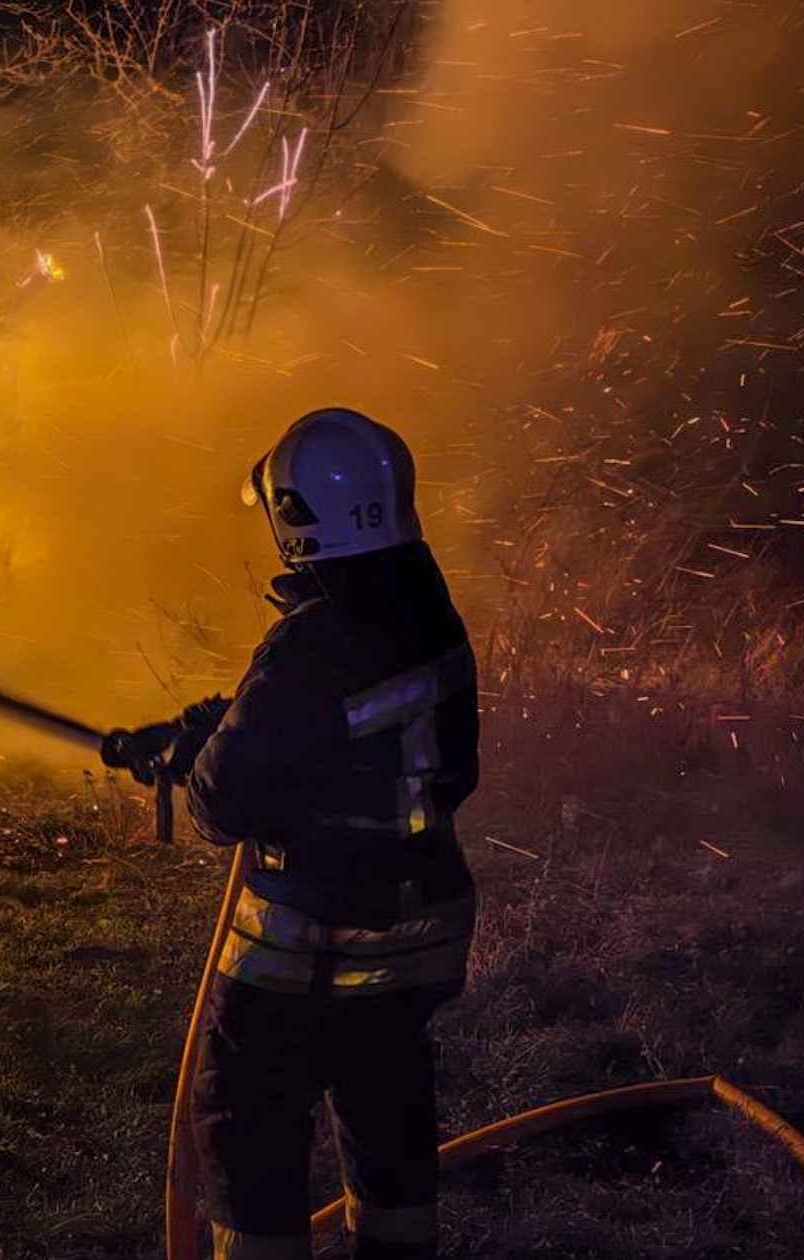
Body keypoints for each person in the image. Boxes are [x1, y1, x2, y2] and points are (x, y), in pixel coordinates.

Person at [103, 408, 479, 1260]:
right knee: (386, 1106)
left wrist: (193, 761)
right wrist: (215, 725)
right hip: (420, 934)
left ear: (296, 520)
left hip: (311, 946)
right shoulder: (427, 612)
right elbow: (380, 746)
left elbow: (220, 805)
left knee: (249, 1122)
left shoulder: (308, 647)